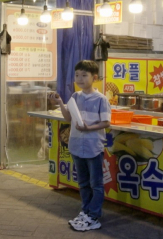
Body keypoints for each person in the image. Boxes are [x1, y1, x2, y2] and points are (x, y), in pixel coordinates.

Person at [47, 60, 111, 232]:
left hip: (93, 147)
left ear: (94, 77)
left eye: (84, 75)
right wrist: (60, 102)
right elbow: (69, 118)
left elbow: (106, 122)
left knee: (96, 184)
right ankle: (85, 211)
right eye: (77, 75)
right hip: (76, 145)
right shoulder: (75, 97)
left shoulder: (101, 99)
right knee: (83, 182)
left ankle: (94, 215)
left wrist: (89, 128)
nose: (79, 79)